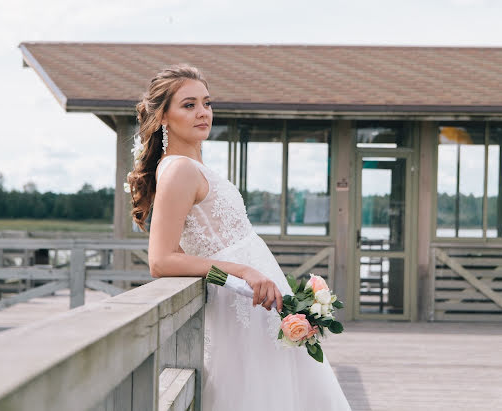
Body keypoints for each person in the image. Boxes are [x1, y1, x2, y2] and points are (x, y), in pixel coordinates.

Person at [127, 64, 352, 411]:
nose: (203, 112)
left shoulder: (194, 165)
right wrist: (241, 271)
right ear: (163, 118)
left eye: (206, 102)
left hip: (256, 302)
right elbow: (161, 260)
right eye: (189, 105)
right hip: (241, 304)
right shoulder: (178, 170)